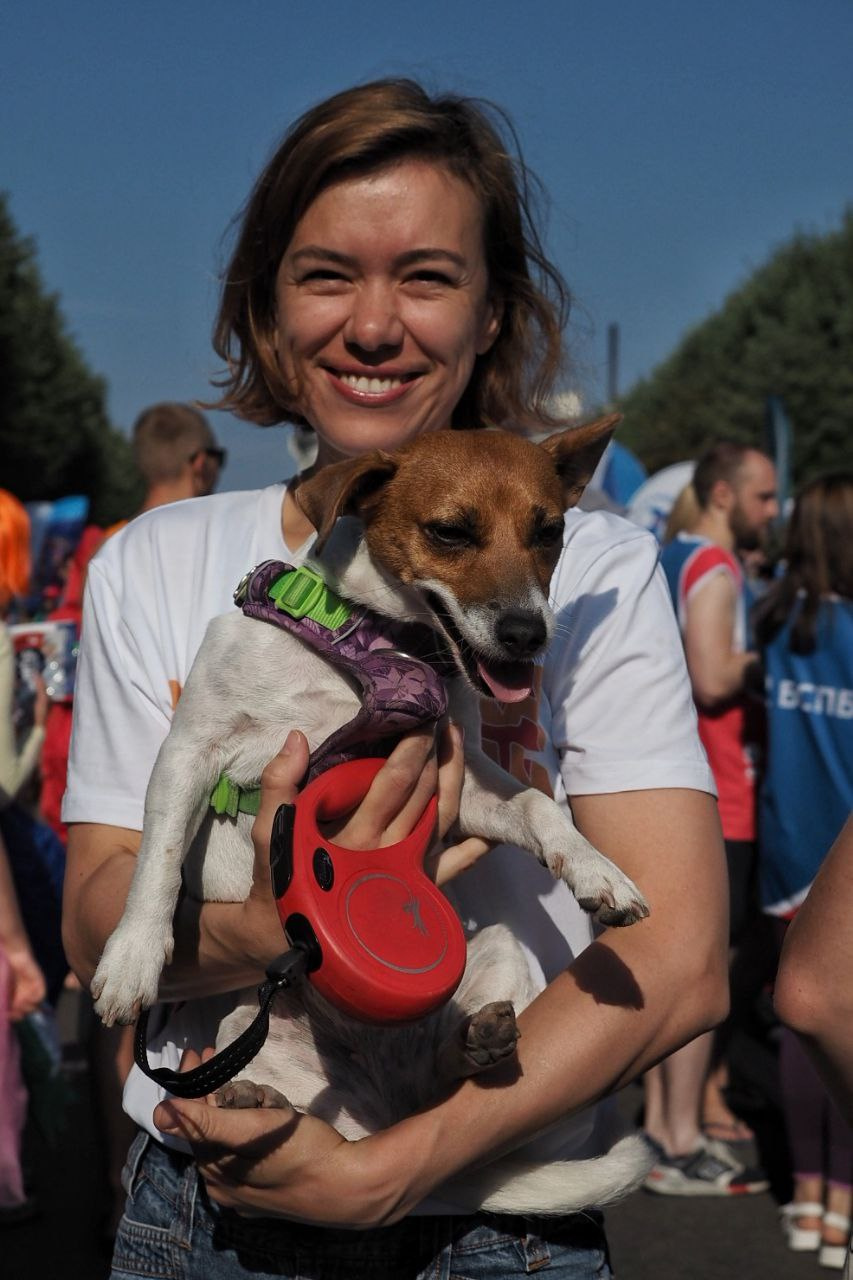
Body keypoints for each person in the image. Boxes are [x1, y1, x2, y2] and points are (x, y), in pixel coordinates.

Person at [62, 79, 728, 1280]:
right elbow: (99, 911)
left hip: (499, 1217)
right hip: (219, 1196)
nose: (375, 325)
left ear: (490, 312)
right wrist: (294, 920)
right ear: (267, 308)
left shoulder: (606, 575)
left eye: (426, 275)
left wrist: (392, 1169)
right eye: (325, 274)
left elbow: (679, 957)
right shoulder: (153, 563)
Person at [644, 441, 778, 1194]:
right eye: (763, 498)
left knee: (672, 964)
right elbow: (711, 675)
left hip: (679, 781)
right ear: (724, 497)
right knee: (704, 970)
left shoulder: (670, 557)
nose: (772, 511)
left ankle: (666, 1129)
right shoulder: (714, 567)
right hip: (717, 790)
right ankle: (679, 1135)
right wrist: (780, 657)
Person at [753, 474, 853, 1268]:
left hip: (784, 833)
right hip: (838, 847)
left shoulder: (776, 618)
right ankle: (837, 1213)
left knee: (798, 1015)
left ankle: (808, 1196)